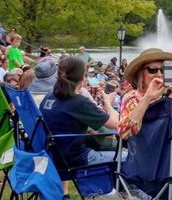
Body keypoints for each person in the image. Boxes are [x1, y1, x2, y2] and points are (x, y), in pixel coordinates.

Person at [39, 57, 119, 199]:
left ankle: (68, 195)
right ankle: (123, 194)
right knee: (127, 158)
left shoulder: (49, 97)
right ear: (83, 77)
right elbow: (118, 124)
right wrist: (107, 103)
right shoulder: (79, 102)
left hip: (53, 156)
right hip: (77, 159)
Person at [117, 48, 172, 141]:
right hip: (146, 153)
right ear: (141, 74)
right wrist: (147, 98)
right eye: (152, 70)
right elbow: (123, 133)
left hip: (170, 152)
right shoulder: (133, 97)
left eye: (163, 70)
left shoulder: (171, 96)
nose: (159, 75)